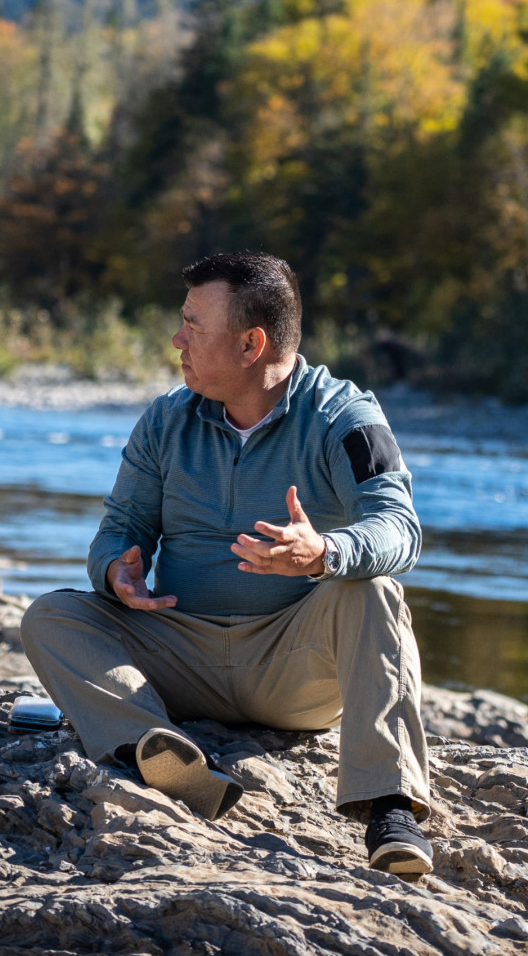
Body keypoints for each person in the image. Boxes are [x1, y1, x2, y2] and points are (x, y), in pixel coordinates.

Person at [21, 252, 433, 876]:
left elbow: (400, 528)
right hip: (180, 654)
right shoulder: (165, 419)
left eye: (193, 325)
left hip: (292, 667)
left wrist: (326, 552)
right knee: (52, 615)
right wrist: (115, 570)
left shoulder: (345, 417)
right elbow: (121, 527)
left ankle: (391, 811)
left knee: (374, 590)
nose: (177, 339)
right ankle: (162, 755)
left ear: (250, 344)